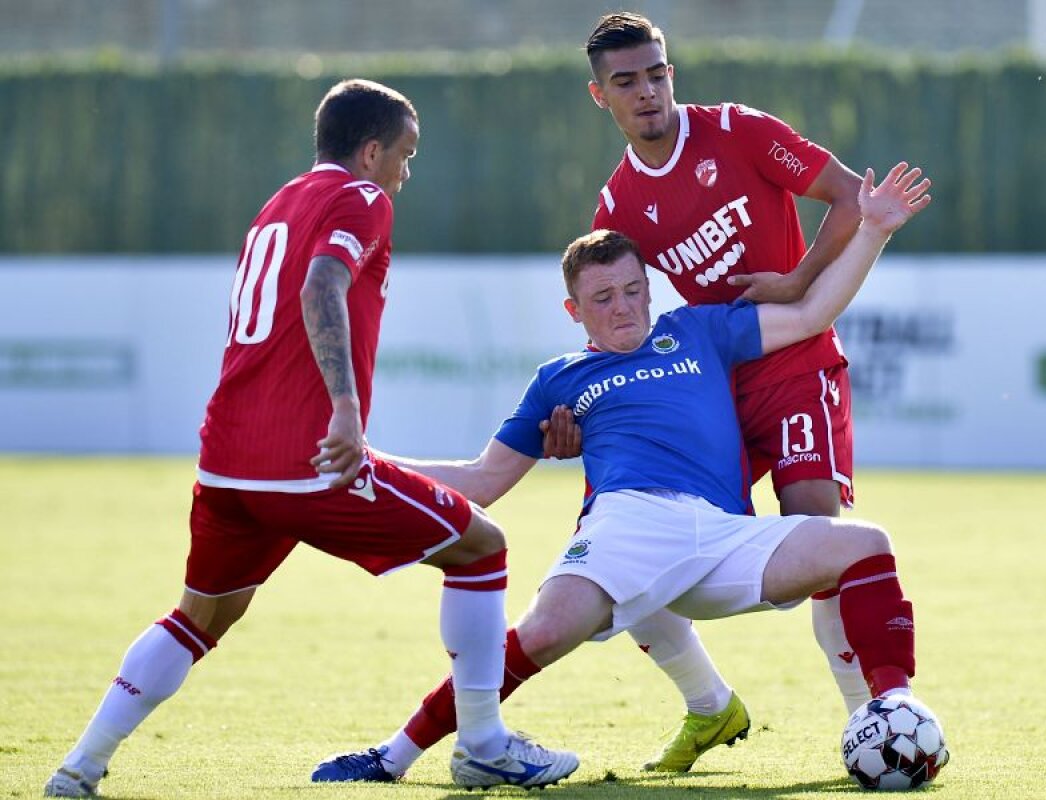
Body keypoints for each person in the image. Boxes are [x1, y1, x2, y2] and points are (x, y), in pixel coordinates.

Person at [311, 161, 934, 783]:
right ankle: (392, 756)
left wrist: (873, 230)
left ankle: (893, 705)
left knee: (864, 544)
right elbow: (481, 480)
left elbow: (810, 315)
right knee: (544, 632)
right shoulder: (559, 378)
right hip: (626, 528)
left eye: (634, 289)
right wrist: (368, 462)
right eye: (603, 298)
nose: (624, 307)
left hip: (722, 534)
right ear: (573, 308)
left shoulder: (696, 329)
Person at [43, 79, 577, 798]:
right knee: (482, 546)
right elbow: (322, 284)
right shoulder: (363, 198)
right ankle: (482, 744)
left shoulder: (279, 203)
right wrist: (347, 412)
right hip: (307, 462)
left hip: (228, 465)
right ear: (370, 149)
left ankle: (78, 769)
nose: (405, 173)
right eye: (405, 155)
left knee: (198, 618)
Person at [543, 10, 880, 772]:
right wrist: (580, 413)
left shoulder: (738, 130)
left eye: (657, 73)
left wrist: (795, 280)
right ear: (601, 96)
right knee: (612, 543)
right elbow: (616, 318)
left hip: (792, 361)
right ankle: (708, 706)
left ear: (672, 71)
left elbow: (854, 197)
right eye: (626, 81)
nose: (647, 91)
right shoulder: (618, 205)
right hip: (708, 387)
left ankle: (874, 720)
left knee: (818, 544)